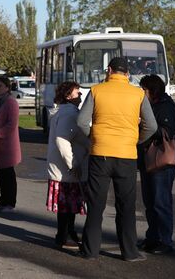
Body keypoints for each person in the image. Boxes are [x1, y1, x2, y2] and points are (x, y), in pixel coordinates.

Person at [77, 57, 157, 261]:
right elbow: (152, 126)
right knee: (126, 205)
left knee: (96, 203)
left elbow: (81, 121)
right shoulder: (138, 94)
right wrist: (136, 140)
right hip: (126, 155)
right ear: (127, 74)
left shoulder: (96, 90)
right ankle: (129, 252)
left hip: (100, 154)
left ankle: (90, 250)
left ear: (109, 70)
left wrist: (94, 137)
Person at [137, 75, 175, 254]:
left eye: (143, 89)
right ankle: (152, 237)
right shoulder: (147, 105)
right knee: (150, 202)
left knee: (161, 202)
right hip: (147, 159)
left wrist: (144, 127)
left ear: (152, 90)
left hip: (162, 161)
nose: (141, 92)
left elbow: (167, 131)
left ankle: (165, 240)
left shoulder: (165, 105)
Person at [46, 81, 89, 249]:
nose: (80, 95)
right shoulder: (69, 114)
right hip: (67, 169)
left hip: (61, 168)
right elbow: (62, 141)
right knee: (68, 207)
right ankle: (65, 236)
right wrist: (73, 164)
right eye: (77, 92)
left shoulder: (62, 112)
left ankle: (65, 234)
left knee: (67, 207)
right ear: (67, 95)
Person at [0, 77, 22, 213]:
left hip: (8, 145)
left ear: (7, 88)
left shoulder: (11, 102)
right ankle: (3, 201)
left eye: (0, 85)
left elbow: (11, 125)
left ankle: (10, 202)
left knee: (8, 175)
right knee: (1, 174)